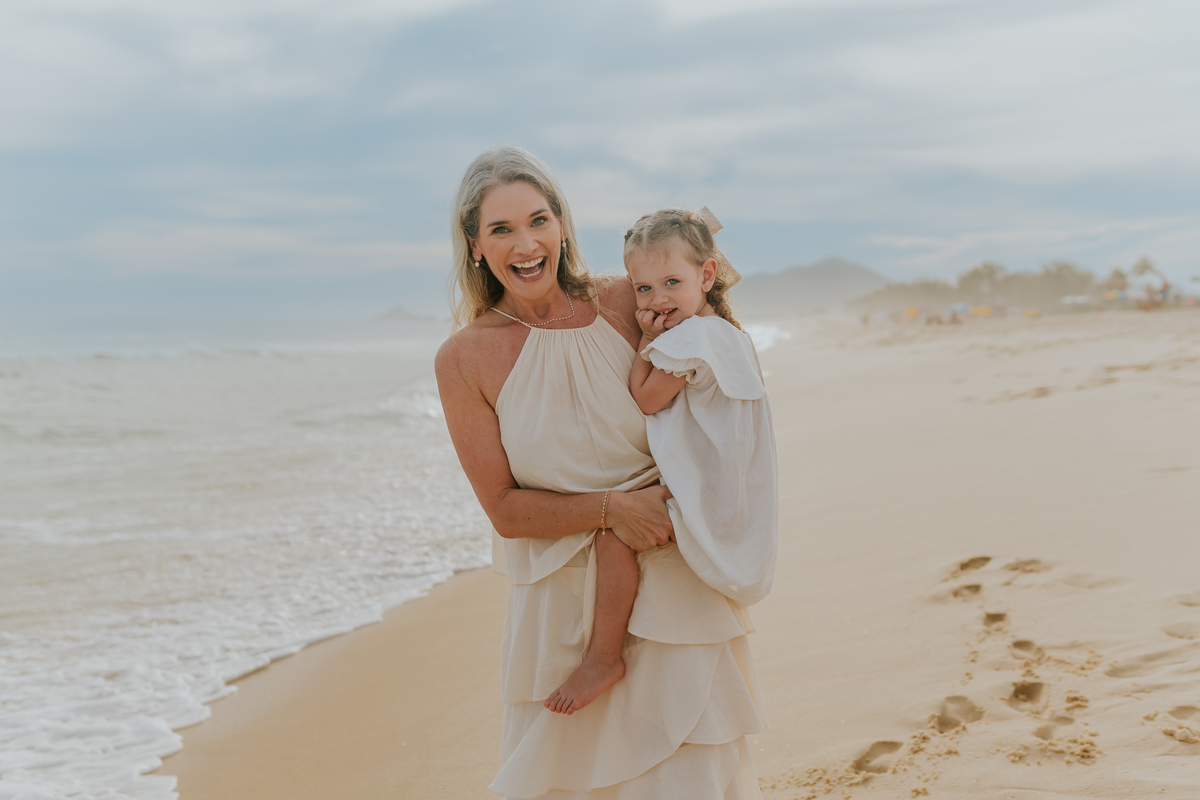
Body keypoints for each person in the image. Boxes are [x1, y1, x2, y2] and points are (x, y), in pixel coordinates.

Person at [436, 148, 766, 799]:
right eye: (501, 229)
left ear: (563, 226)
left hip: (675, 580)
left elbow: (712, 315)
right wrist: (615, 509)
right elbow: (504, 508)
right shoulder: (464, 358)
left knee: (689, 776)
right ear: (474, 245)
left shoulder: (626, 300)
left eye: (539, 220)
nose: (526, 244)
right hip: (561, 614)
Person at [544, 207, 778, 717]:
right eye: (644, 289)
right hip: (736, 485)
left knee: (613, 534)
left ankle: (603, 658)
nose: (658, 300)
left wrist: (646, 343)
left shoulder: (685, 341)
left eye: (672, 282)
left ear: (707, 274)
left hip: (708, 492)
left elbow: (647, 400)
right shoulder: (729, 335)